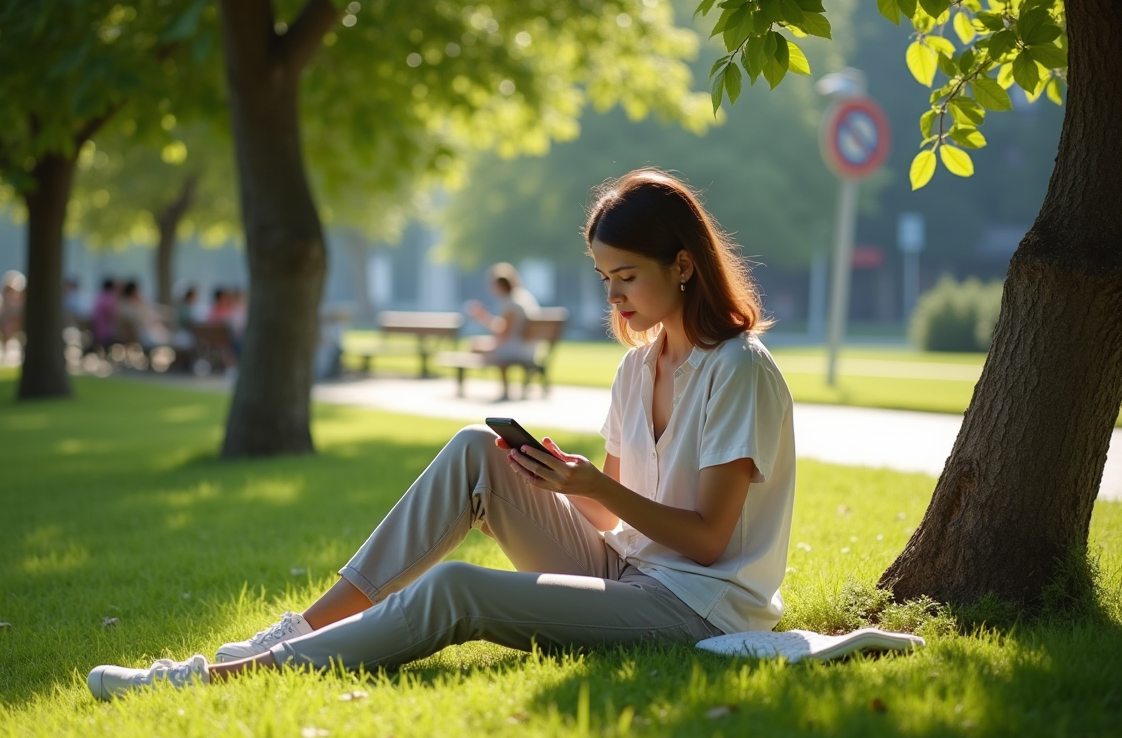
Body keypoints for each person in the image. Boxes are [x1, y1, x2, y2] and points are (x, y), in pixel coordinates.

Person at [87, 169, 796, 701]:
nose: (612, 297)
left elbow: (706, 540)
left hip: (693, 606)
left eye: (626, 277)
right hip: (623, 571)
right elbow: (610, 519)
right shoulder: (637, 369)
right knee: (473, 449)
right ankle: (301, 630)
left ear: (682, 265)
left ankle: (213, 677)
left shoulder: (737, 370)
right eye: (605, 277)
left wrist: (594, 483)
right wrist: (554, 481)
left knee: (457, 588)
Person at [465, 262, 541, 400]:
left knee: (475, 346)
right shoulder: (523, 297)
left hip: (517, 349)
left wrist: (483, 317)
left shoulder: (511, 303)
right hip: (529, 347)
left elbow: (503, 333)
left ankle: (502, 388)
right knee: (478, 345)